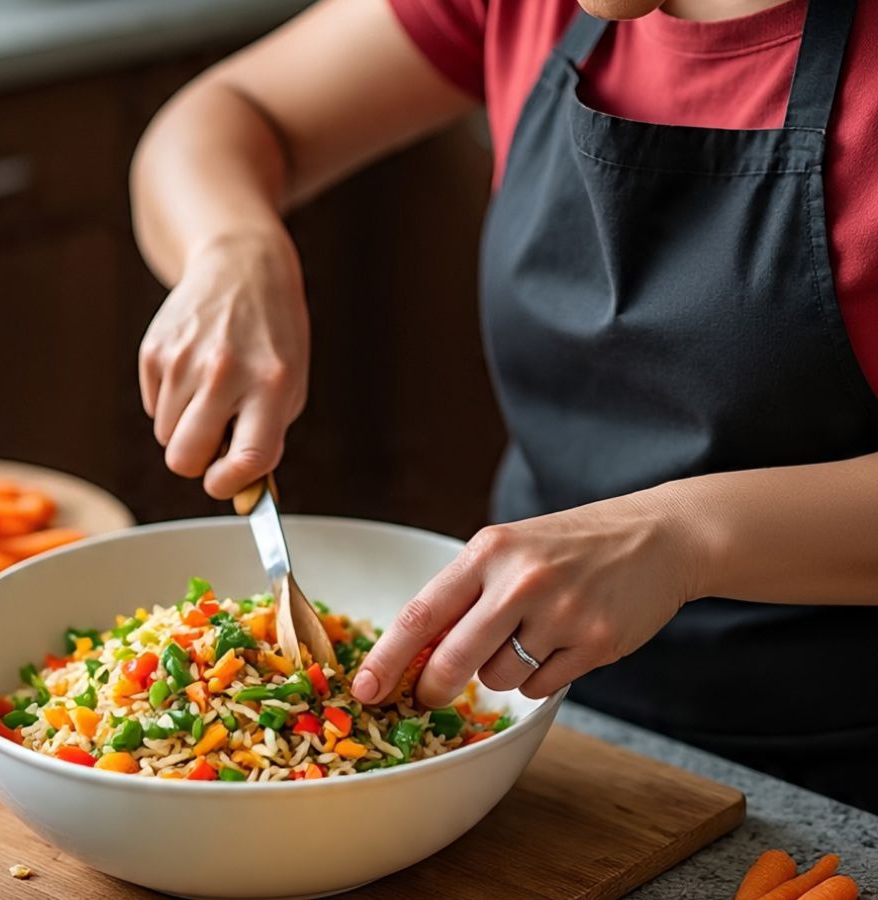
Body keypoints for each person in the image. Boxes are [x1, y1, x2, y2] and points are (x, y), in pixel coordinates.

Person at [129, 0, 878, 812]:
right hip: (534, 720)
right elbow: (233, 113)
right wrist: (232, 248)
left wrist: (683, 538)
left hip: (838, 760)